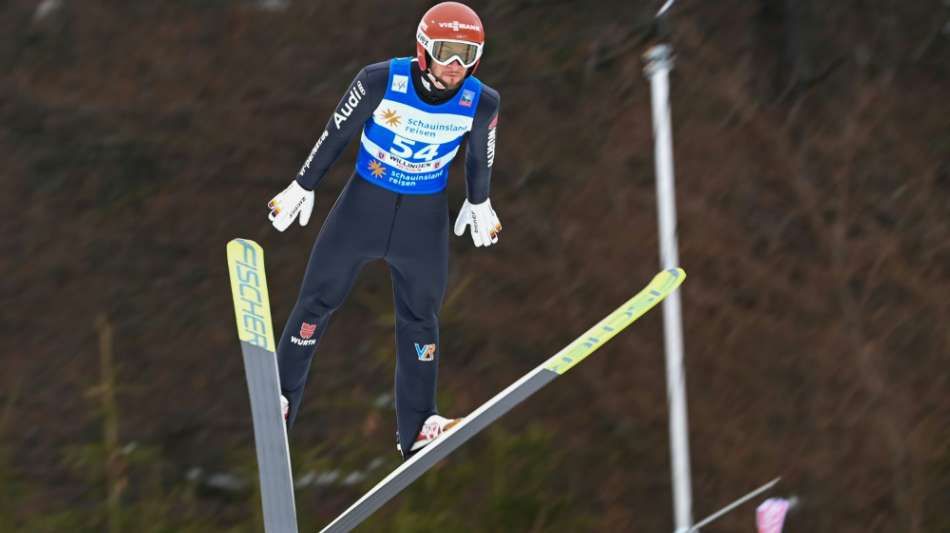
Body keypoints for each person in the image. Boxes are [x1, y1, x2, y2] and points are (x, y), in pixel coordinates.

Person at [266, 1, 501, 459]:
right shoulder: (380, 80)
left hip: (423, 220)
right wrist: (303, 184)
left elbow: (480, 155)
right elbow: (336, 131)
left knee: (422, 318)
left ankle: (418, 425)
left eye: (467, 54)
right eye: (446, 52)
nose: (456, 65)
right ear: (424, 50)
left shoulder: (481, 101)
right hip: (364, 207)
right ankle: (282, 398)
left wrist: (479, 200)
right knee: (317, 300)